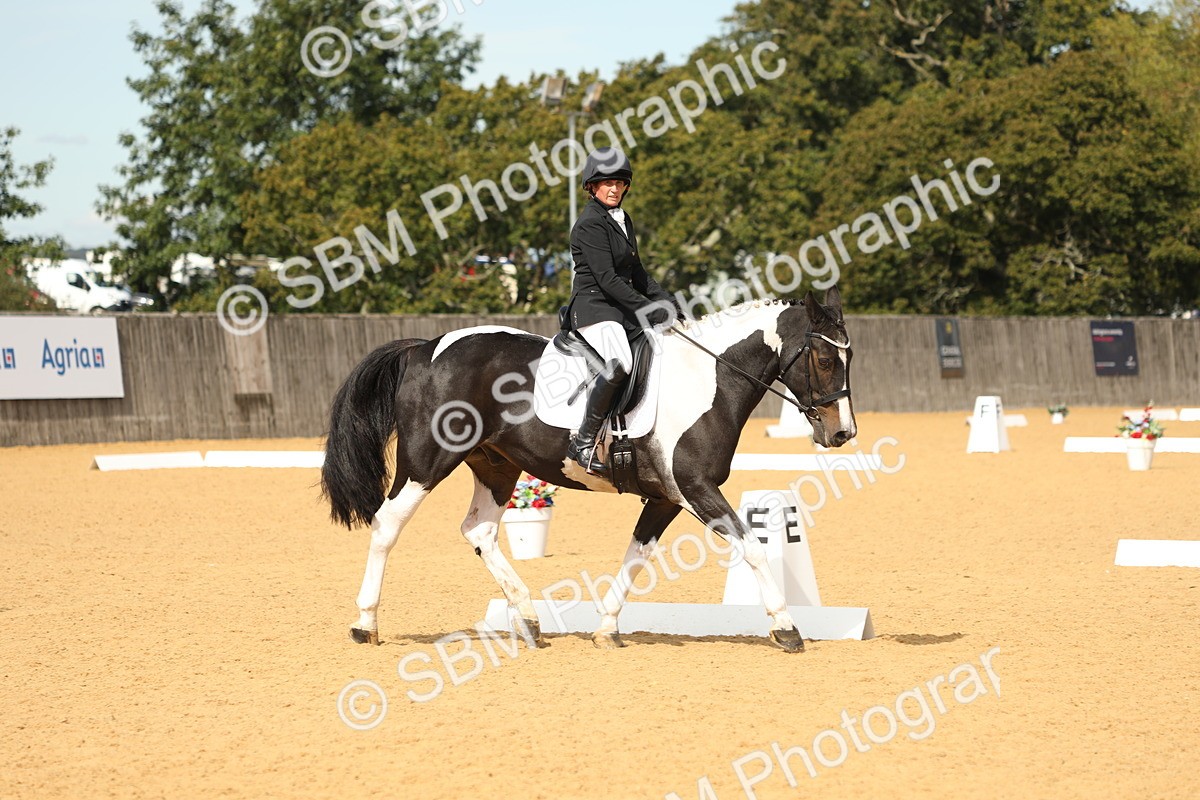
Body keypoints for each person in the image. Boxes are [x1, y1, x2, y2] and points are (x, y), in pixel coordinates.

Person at [563, 147, 677, 476]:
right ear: (592, 187)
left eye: (619, 182)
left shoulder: (622, 219)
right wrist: (649, 309)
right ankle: (583, 443)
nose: (614, 189)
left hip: (620, 309)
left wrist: (666, 300)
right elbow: (609, 280)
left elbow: (637, 273)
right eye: (606, 183)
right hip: (594, 308)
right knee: (619, 364)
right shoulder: (588, 224)